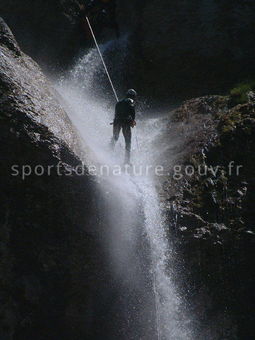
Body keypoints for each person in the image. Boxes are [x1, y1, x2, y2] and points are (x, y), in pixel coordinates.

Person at [111, 89, 137, 164]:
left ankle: (109, 149)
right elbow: (132, 110)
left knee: (115, 137)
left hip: (117, 121)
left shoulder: (119, 102)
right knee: (128, 142)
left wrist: (115, 121)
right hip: (125, 122)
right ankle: (127, 161)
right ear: (134, 96)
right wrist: (132, 120)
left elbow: (116, 113)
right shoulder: (131, 101)